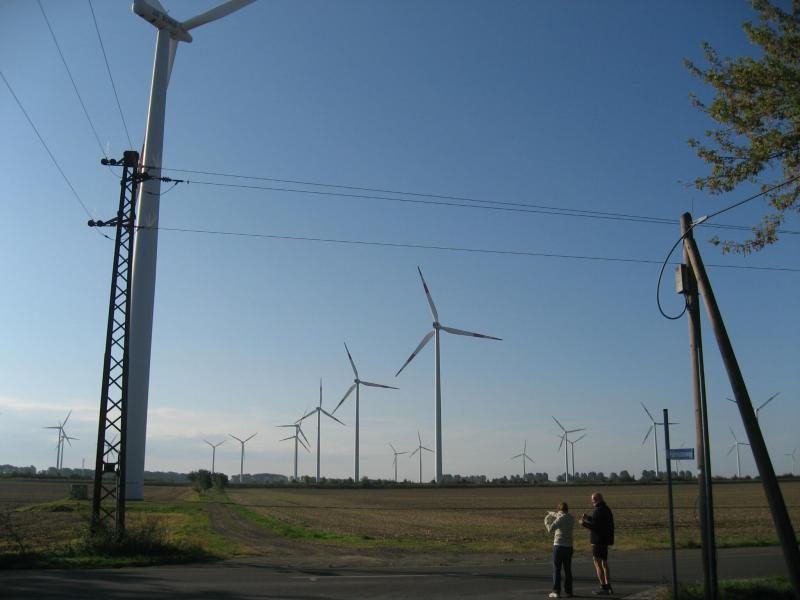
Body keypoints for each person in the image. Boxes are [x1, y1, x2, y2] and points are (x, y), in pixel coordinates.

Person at [580, 491, 615, 595]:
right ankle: (608, 586)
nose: (592, 501)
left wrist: (583, 523)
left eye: (593, 499)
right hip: (605, 541)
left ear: (596, 499)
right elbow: (599, 522)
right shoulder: (606, 509)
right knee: (604, 563)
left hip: (598, 541)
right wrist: (589, 518)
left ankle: (603, 587)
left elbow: (595, 526)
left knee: (597, 563)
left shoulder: (598, 511)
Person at [544, 501, 575, 598]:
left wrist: (546, 520)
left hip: (559, 546)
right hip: (569, 546)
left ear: (559, 510)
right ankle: (569, 591)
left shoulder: (560, 519)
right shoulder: (571, 518)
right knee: (567, 569)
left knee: (557, 569)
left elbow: (550, 529)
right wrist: (552, 513)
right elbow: (559, 515)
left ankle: (556, 591)